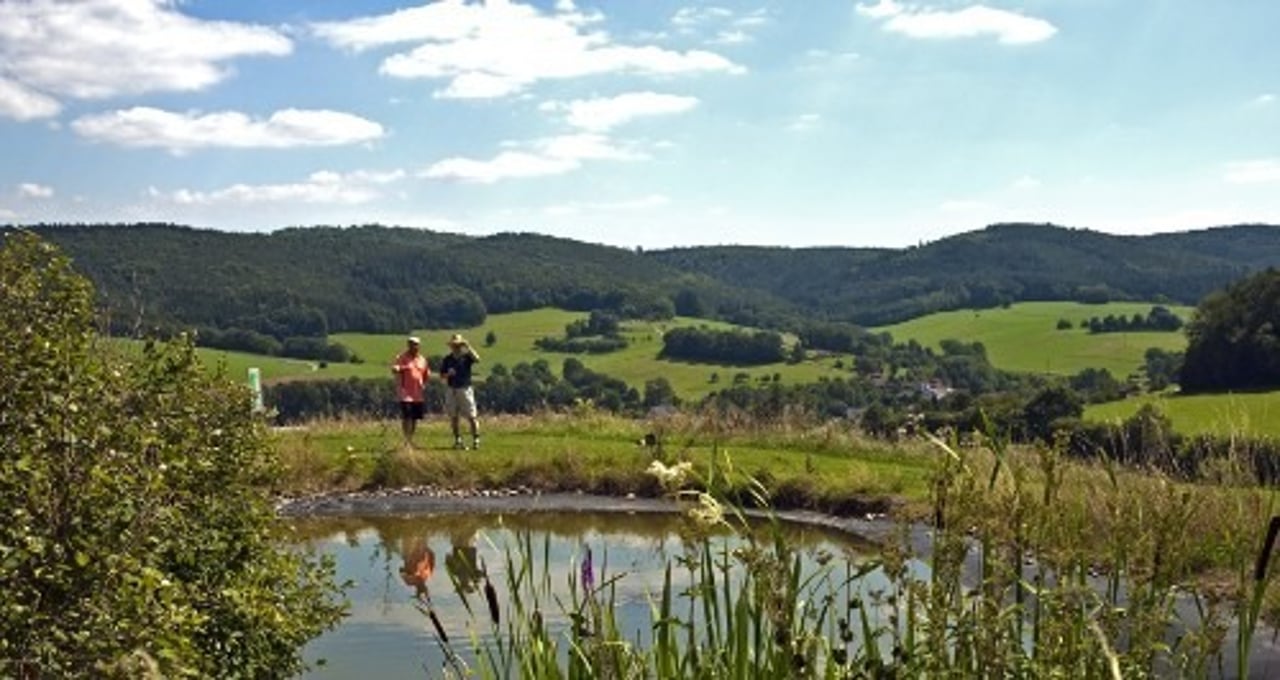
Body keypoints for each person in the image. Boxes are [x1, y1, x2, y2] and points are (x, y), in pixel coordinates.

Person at [441, 333, 480, 450]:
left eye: (458, 345)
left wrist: (468, 346)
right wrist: (448, 374)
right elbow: (442, 375)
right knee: (453, 416)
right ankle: (458, 439)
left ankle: (476, 439)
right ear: (451, 346)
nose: (456, 347)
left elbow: (477, 359)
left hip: (465, 388)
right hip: (452, 389)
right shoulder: (447, 359)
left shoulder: (467, 357)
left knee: (472, 416)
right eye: (454, 345)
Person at [391, 336, 430, 447]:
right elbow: (395, 368)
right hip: (405, 393)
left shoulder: (422, 359)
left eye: (415, 344)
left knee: (414, 418)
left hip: (418, 394)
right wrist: (398, 368)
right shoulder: (402, 357)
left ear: (419, 346)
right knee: (407, 416)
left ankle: (410, 439)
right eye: (411, 344)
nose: (413, 346)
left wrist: (424, 384)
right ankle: (406, 440)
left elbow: (426, 374)